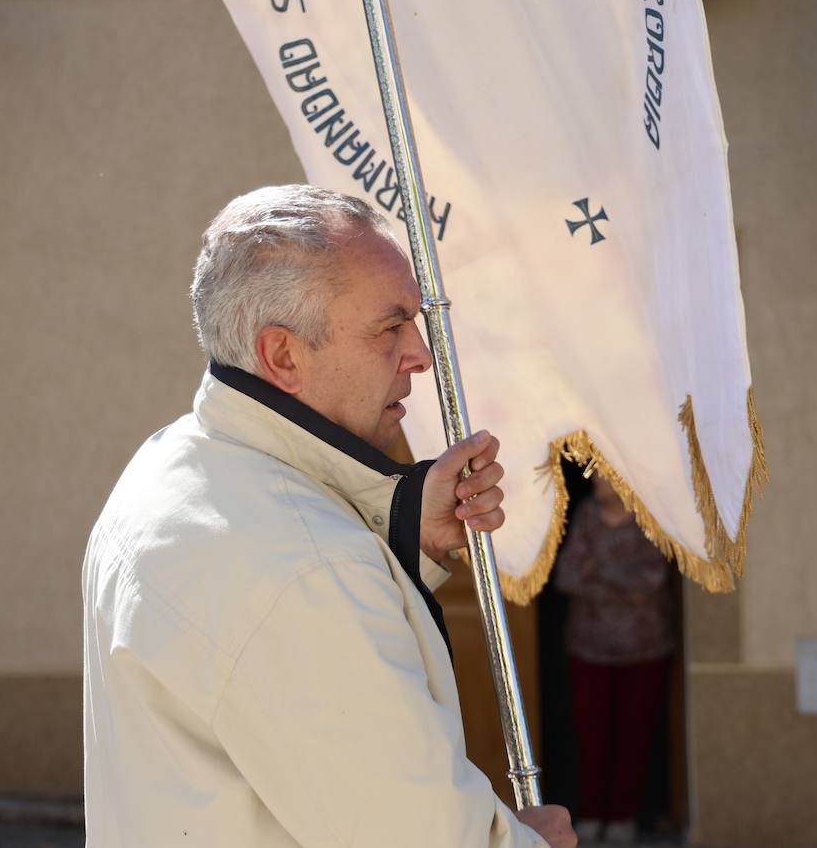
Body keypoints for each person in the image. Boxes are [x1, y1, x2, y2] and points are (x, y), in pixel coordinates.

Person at [82, 185, 575, 848]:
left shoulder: (171, 464)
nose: (421, 354)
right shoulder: (303, 571)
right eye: (390, 326)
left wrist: (401, 528)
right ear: (282, 355)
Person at [553, 474, 676, 847]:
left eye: (604, 474)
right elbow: (567, 576)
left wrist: (597, 571)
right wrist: (615, 580)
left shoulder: (648, 518)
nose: (594, 480)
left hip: (645, 647)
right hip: (588, 646)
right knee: (591, 733)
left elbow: (650, 581)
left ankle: (623, 817)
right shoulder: (587, 515)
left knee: (634, 733)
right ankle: (592, 814)